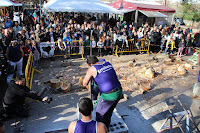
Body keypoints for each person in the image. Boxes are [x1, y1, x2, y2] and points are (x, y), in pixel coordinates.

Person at [82, 56, 123, 129]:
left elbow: (84, 83)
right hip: (119, 91)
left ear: (91, 64)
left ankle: (100, 130)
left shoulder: (92, 68)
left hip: (109, 95)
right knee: (108, 112)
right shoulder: (107, 63)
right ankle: (106, 127)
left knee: (99, 114)